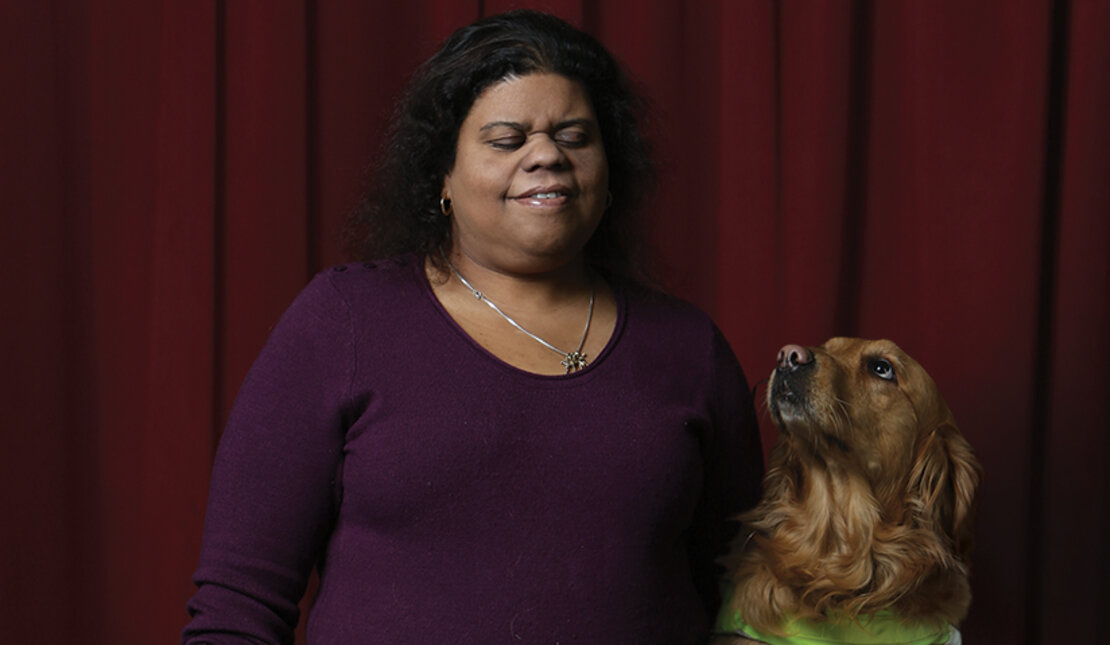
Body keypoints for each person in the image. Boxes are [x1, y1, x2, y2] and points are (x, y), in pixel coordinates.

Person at [183, 9, 763, 644]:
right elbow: (238, 607)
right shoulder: (345, 321)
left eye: (574, 136)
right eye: (507, 140)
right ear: (444, 177)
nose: (547, 156)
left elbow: (746, 599)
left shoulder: (688, 350)